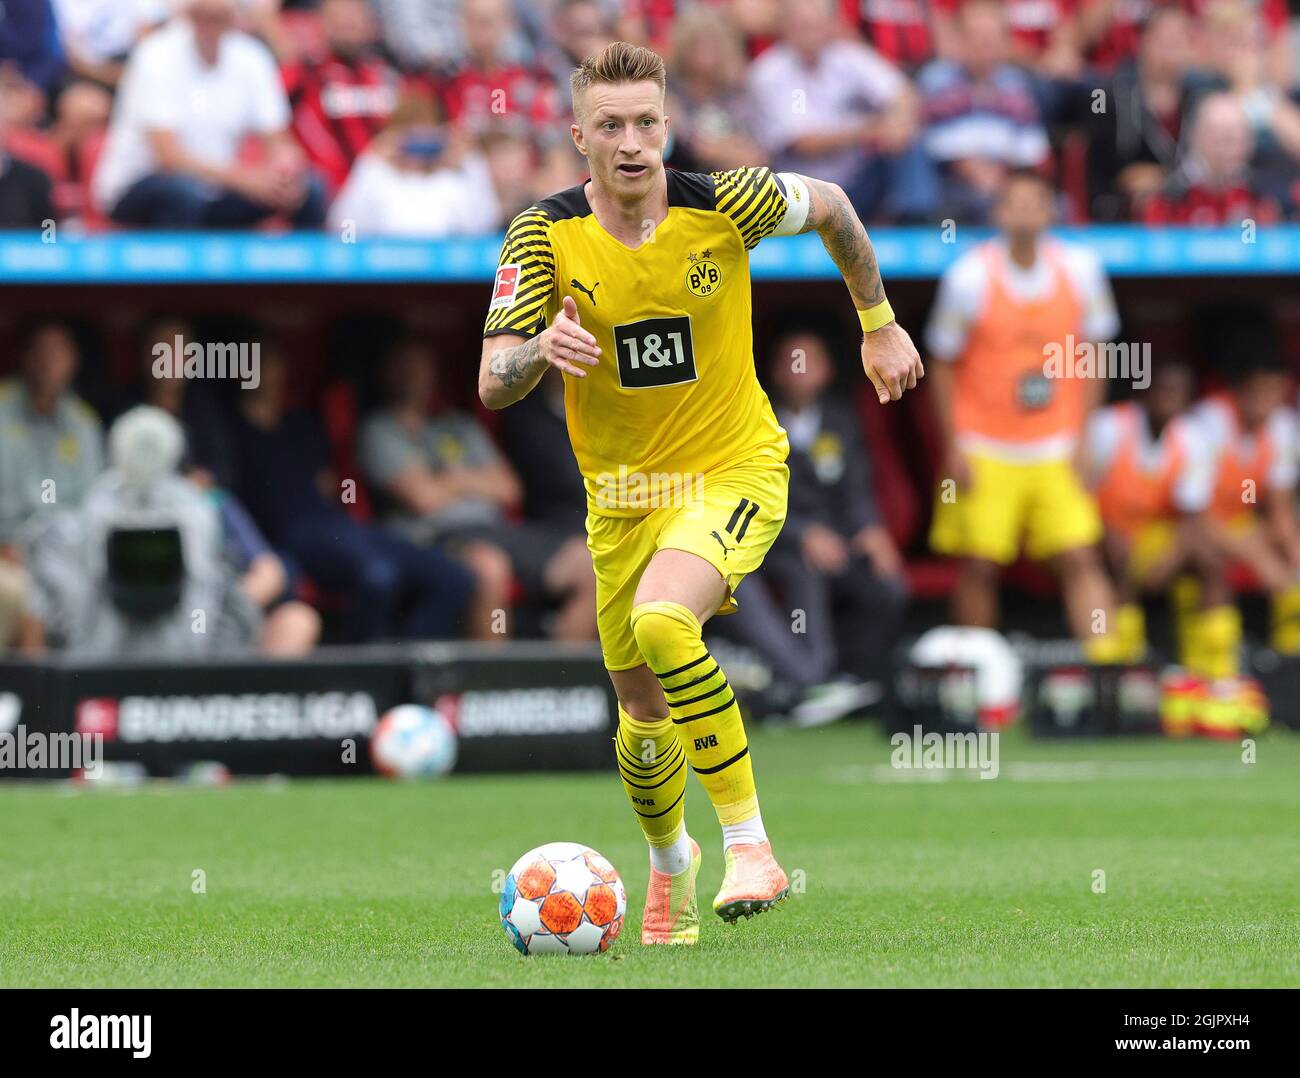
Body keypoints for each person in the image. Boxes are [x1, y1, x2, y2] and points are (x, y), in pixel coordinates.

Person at [479, 41, 921, 944]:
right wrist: (540, 353)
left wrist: (877, 323)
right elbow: (492, 379)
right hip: (622, 501)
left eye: (647, 122)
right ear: (579, 137)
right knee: (641, 714)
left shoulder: (726, 201)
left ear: (667, 128)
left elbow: (834, 207)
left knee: (663, 621)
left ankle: (751, 846)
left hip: (732, 470)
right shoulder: (540, 234)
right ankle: (669, 864)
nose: (632, 140)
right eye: (611, 125)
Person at [926, 168, 1125, 659]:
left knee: (1080, 555)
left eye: (1037, 202)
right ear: (997, 213)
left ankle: (1107, 667)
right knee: (979, 563)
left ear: (1051, 210)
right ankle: (976, 676)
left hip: (1057, 443)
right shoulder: (969, 276)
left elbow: (1095, 354)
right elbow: (943, 364)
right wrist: (953, 444)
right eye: (1014, 203)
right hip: (985, 444)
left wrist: (1084, 438)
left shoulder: (1080, 269)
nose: (1026, 213)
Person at [359, 338, 596, 643]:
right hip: (432, 537)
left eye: (421, 367)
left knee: (588, 561)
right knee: (490, 566)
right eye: (404, 366)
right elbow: (424, 499)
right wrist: (474, 481)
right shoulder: (380, 429)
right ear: (386, 372)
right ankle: (494, 683)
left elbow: (509, 489)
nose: (414, 375)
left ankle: (560, 678)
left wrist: (447, 480)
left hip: (497, 530)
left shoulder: (458, 424)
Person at [229, 349, 474, 644]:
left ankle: (408, 666)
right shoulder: (230, 431)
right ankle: (362, 678)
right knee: (379, 577)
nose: (269, 373)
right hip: (289, 536)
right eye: (258, 363)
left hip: (340, 526)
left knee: (454, 577)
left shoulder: (300, 424)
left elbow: (327, 484)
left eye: (273, 363)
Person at [93, 0, 326, 228]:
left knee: (308, 189)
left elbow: (278, 140)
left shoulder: (251, 56)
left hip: (217, 189)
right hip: (140, 186)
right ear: (188, 13)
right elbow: (167, 157)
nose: (210, 20)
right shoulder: (155, 54)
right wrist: (247, 180)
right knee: (181, 192)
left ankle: (306, 267)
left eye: (219, 13)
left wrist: (285, 169)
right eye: (204, 12)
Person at [1085, 359, 1231, 673]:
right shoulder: (1107, 427)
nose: (1171, 399)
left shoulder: (1193, 439)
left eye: (1179, 393)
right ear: (1145, 393)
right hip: (1100, 529)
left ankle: (1213, 670)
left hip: (1155, 534)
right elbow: (1079, 491)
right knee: (1117, 556)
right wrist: (1106, 532)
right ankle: (1124, 663)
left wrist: (1170, 555)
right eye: (1164, 390)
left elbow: (1192, 514)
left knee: (1209, 559)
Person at [0, 322, 104, 652]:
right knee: (23, 595)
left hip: (66, 554)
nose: (50, 361)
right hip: (9, 554)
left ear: (74, 361)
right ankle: (31, 700)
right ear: (26, 358)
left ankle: (83, 694)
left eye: (59, 353)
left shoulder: (84, 424)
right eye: (42, 352)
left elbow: (93, 509)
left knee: (94, 588)